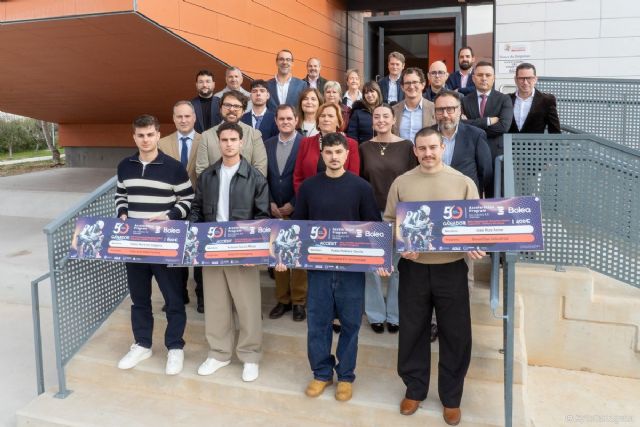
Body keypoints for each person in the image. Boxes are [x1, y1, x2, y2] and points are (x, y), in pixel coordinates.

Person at [382, 127, 485, 425]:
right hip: (414, 269)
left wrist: (476, 243)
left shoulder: (462, 183)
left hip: (451, 268)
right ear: (415, 151)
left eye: (432, 147)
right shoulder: (402, 183)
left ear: (442, 148)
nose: (427, 153)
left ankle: (451, 397)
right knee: (413, 330)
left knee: (456, 333)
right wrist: (401, 244)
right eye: (422, 148)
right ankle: (415, 389)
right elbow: (390, 222)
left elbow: (475, 224)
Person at [276, 132, 380, 402]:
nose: (334, 157)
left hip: (352, 270)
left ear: (347, 154)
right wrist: (285, 255)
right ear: (321, 155)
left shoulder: (361, 188)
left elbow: (374, 227)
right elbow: (299, 226)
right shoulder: (309, 188)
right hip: (318, 269)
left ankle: (345, 375)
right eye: (329, 152)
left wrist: (381, 260)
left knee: (350, 323)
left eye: (338, 152)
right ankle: (321, 373)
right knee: (318, 323)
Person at [190, 121, 270, 382]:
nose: (228, 144)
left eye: (233, 140)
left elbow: (262, 217)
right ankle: (219, 353)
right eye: (224, 140)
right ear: (218, 142)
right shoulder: (207, 176)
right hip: (212, 250)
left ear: (241, 142)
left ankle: (250, 355)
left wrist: (253, 252)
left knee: (248, 306)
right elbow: (197, 209)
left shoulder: (255, 177)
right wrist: (196, 239)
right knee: (216, 305)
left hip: (242, 251)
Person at [115, 114, 194, 376]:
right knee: (139, 299)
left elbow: (187, 200)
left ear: (158, 135)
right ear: (134, 137)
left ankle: (175, 347)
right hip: (135, 245)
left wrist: (169, 215)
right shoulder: (124, 166)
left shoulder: (174, 167)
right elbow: (121, 195)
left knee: (173, 299)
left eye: (150, 134)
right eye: (141, 135)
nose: (146, 139)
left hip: (164, 245)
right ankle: (142, 344)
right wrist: (122, 213)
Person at [359, 104, 417, 334]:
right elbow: (361, 181)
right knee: (372, 266)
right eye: (377, 116)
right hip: (372, 212)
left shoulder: (407, 146)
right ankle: (375, 314)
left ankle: (395, 314)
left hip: (400, 213)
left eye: (386, 116)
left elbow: (413, 179)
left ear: (394, 120)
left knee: (398, 266)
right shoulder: (364, 147)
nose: (381, 120)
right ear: (372, 121)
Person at [158, 100, 205, 313]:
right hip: (172, 207)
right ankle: (178, 295)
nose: (184, 120)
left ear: (194, 118)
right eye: (179, 116)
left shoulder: (207, 140)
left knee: (199, 253)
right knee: (174, 254)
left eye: (187, 116)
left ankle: (202, 296)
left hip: (200, 205)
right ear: (174, 119)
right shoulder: (162, 143)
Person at [264, 105, 308, 322]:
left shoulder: (305, 144)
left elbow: (308, 177)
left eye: (289, 118)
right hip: (274, 209)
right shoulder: (268, 144)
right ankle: (283, 300)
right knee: (278, 256)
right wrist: (270, 201)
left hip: (298, 208)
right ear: (276, 121)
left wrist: (293, 203)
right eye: (281, 119)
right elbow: (263, 176)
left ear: (296, 120)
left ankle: (299, 301)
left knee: (297, 257)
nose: (285, 122)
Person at [196, 90, 268, 177]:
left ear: (243, 111)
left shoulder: (254, 135)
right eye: (227, 105)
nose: (231, 109)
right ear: (220, 109)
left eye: (237, 106)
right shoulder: (206, 136)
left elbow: (260, 170)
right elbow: (201, 171)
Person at [434, 91, 493, 197]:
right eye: (440, 110)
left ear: (459, 111)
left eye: (450, 109)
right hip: (434, 196)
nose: (445, 114)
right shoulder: (426, 136)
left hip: (466, 197)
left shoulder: (476, 135)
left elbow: (486, 172)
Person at [293, 102, 360, 193]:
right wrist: (303, 196)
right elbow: (298, 176)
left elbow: (353, 177)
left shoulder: (351, 144)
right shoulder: (306, 143)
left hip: (341, 197)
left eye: (330, 116)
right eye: (322, 116)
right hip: (310, 197)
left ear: (338, 122)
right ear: (318, 122)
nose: (326, 119)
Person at [461, 61, 513, 164]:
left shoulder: (504, 99)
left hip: (496, 152)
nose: (484, 78)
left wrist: (471, 124)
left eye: (488, 75)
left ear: (493, 78)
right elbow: (462, 125)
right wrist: (488, 121)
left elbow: (503, 127)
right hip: (471, 152)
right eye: (480, 75)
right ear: (473, 78)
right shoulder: (464, 100)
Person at [509, 62, 561, 134]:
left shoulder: (546, 101)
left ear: (535, 79)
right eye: (521, 78)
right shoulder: (506, 99)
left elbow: (555, 132)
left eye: (529, 78)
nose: (525, 82)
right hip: (508, 141)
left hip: (535, 141)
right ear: (515, 80)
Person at [392, 67, 436, 143]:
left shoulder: (434, 109)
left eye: (415, 82)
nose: (411, 86)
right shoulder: (393, 110)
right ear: (402, 87)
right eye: (407, 83)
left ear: (423, 84)